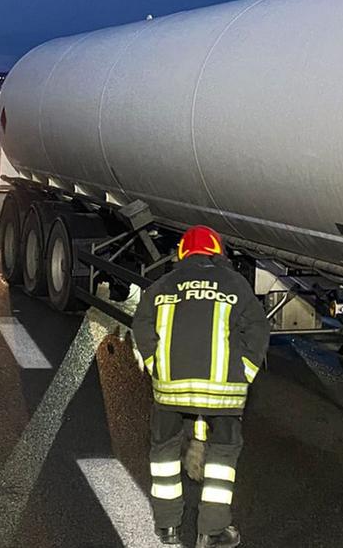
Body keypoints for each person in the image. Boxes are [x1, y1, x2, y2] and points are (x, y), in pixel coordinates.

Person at [132, 225, 269, 548]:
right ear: (218, 252)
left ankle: (167, 527)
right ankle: (212, 531)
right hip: (223, 393)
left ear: (181, 253)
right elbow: (258, 331)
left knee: (164, 451)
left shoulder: (163, 285)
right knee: (222, 457)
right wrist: (244, 372)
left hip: (170, 390)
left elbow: (141, 324)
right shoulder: (235, 285)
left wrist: (156, 366)